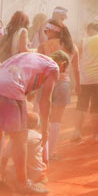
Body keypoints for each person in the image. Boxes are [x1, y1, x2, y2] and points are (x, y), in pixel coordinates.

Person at [0, 51, 68, 196]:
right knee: (20, 136)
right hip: (10, 87)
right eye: (63, 69)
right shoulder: (53, 66)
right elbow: (45, 100)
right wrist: (45, 129)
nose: (60, 75)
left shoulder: (31, 56)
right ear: (61, 63)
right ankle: (23, 185)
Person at [37, 19, 79, 161]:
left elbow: (38, 68)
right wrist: (78, 86)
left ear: (53, 30)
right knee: (56, 121)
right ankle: (50, 153)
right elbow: (76, 70)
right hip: (63, 84)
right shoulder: (72, 47)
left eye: (46, 30)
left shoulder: (43, 46)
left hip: (45, 84)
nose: (45, 33)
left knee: (42, 119)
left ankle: (39, 152)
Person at [74, 22, 98, 141]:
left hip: (85, 77)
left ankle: (77, 132)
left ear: (90, 30)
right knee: (96, 106)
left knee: (81, 105)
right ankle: (95, 135)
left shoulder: (83, 41)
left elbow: (76, 57)